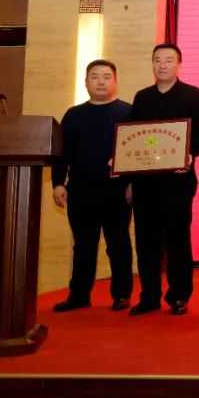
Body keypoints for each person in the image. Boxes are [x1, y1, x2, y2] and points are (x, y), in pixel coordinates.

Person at [126, 43, 199, 316]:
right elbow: (132, 136)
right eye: (157, 60)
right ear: (152, 64)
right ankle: (149, 296)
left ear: (179, 65)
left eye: (168, 60)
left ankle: (179, 295)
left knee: (177, 239)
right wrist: (128, 176)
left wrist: (189, 155)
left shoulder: (193, 95)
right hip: (145, 182)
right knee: (146, 239)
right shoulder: (142, 97)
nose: (162, 65)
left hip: (178, 181)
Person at [50, 59, 134, 312]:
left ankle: (121, 295)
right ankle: (79, 295)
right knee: (83, 246)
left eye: (106, 77)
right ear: (86, 82)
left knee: (118, 244)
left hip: (116, 190)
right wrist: (58, 183)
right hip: (80, 189)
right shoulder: (73, 115)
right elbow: (61, 153)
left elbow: (138, 151)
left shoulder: (129, 112)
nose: (100, 82)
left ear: (115, 82)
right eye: (95, 77)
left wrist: (132, 183)